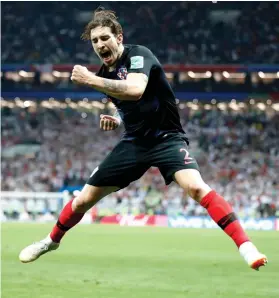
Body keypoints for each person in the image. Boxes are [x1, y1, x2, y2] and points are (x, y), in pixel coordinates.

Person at [19, 7, 267, 270]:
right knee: (82, 200)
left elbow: (136, 89)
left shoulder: (139, 55)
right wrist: (117, 118)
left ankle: (246, 247)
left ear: (119, 37)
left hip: (167, 139)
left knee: (196, 187)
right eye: (95, 41)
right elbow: (128, 104)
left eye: (105, 37)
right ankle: (51, 241)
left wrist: (89, 79)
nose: (100, 44)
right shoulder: (104, 74)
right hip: (135, 142)